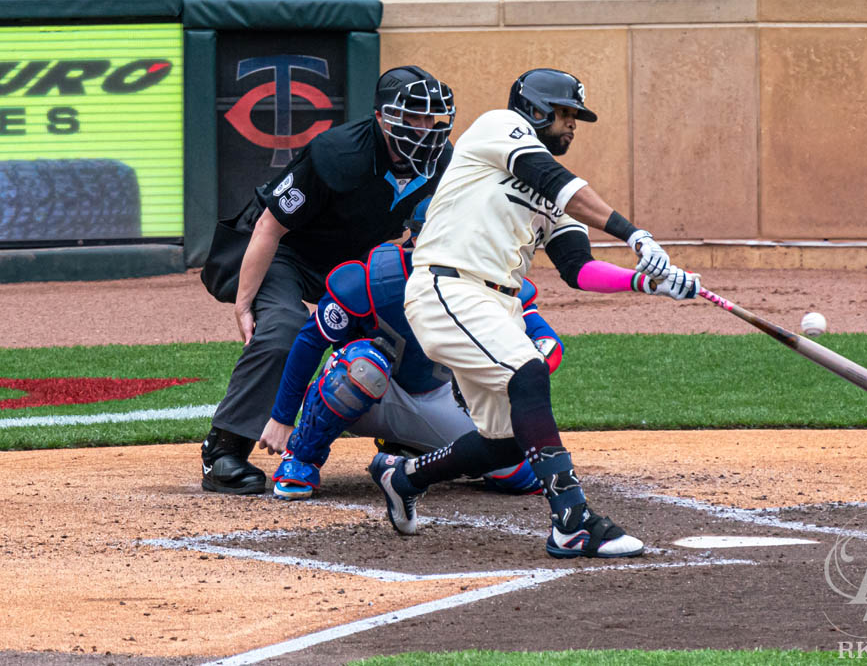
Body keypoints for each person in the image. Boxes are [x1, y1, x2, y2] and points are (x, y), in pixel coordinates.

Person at [367, 68, 701, 559]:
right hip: (447, 287)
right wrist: (634, 234)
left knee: (503, 443)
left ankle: (404, 477)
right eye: (566, 114)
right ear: (539, 109)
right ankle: (572, 519)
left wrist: (648, 282)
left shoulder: (554, 197)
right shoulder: (498, 127)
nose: (572, 125)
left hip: (498, 305)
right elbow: (552, 177)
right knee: (528, 371)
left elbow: (578, 269)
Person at [199, 66, 456, 495]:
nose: (425, 129)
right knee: (283, 329)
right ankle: (224, 448)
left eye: (431, 119)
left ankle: (406, 435)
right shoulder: (337, 152)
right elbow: (269, 227)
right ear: (381, 117)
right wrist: (244, 304)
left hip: (351, 261)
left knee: (415, 315)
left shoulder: (444, 161)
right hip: (286, 251)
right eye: (412, 118)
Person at [256, 233, 561, 499]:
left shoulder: (488, 280)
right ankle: (302, 457)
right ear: (416, 240)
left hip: (440, 396)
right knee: (364, 366)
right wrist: (282, 417)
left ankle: (412, 452)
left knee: (520, 475)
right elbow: (311, 341)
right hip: (369, 395)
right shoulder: (373, 280)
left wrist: (526, 366)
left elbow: (548, 342)